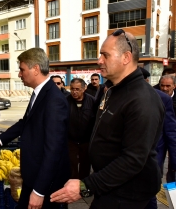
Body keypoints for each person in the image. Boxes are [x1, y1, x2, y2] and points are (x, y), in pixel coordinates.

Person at [51, 29, 164, 209]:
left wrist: (85, 186)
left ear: (126, 57)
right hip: (110, 186)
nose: (99, 61)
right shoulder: (112, 90)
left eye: (105, 55)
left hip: (127, 193)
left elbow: (133, 159)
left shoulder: (142, 99)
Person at [0, 48, 70, 209]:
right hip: (34, 177)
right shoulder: (39, 93)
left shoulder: (54, 100)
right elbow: (25, 123)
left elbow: (54, 149)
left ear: (36, 69)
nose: (19, 74)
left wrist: (39, 191)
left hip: (46, 183)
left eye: (22, 69)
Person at [139, 67, 176, 209]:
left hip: (153, 155)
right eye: (163, 85)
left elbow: (171, 132)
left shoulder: (162, 98)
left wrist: (174, 162)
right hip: (129, 157)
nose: (165, 88)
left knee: (149, 192)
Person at [67, 78, 95, 180]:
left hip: (86, 140)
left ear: (84, 89)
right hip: (71, 140)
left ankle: (83, 186)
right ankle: (72, 185)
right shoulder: (66, 101)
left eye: (77, 89)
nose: (74, 92)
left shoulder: (92, 101)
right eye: (72, 89)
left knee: (85, 164)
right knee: (72, 164)